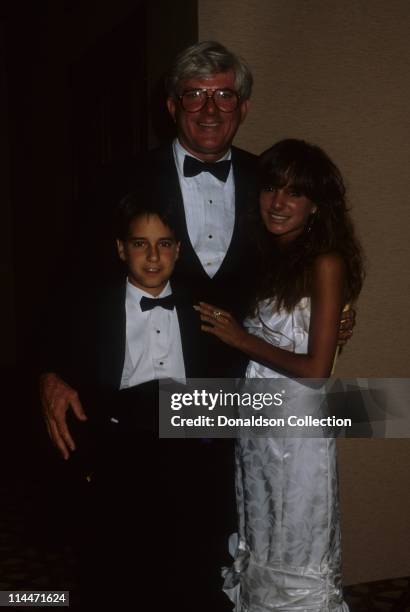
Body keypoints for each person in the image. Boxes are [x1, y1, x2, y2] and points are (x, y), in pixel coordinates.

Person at [196, 138, 364, 611]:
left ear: (315, 205)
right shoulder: (266, 257)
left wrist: (241, 338)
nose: (278, 202)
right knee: (260, 536)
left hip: (298, 431)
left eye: (294, 193)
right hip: (257, 424)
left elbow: (315, 372)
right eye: (271, 188)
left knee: (296, 547)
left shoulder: (325, 261)